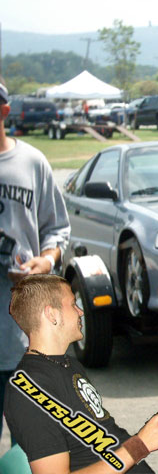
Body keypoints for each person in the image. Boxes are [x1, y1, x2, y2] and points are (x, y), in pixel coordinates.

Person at [4, 274, 158, 472]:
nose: (80, 312)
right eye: (73, 305)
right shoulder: (28, 391)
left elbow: (100, 439)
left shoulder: (68, 364)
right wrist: (140, 445)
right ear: (52, 314)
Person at [0, 76, 71, 446]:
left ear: (4, 111)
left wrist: (45, 261)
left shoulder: (31, 162)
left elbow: (57, 229)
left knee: (30, 450)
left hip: (22, 337)